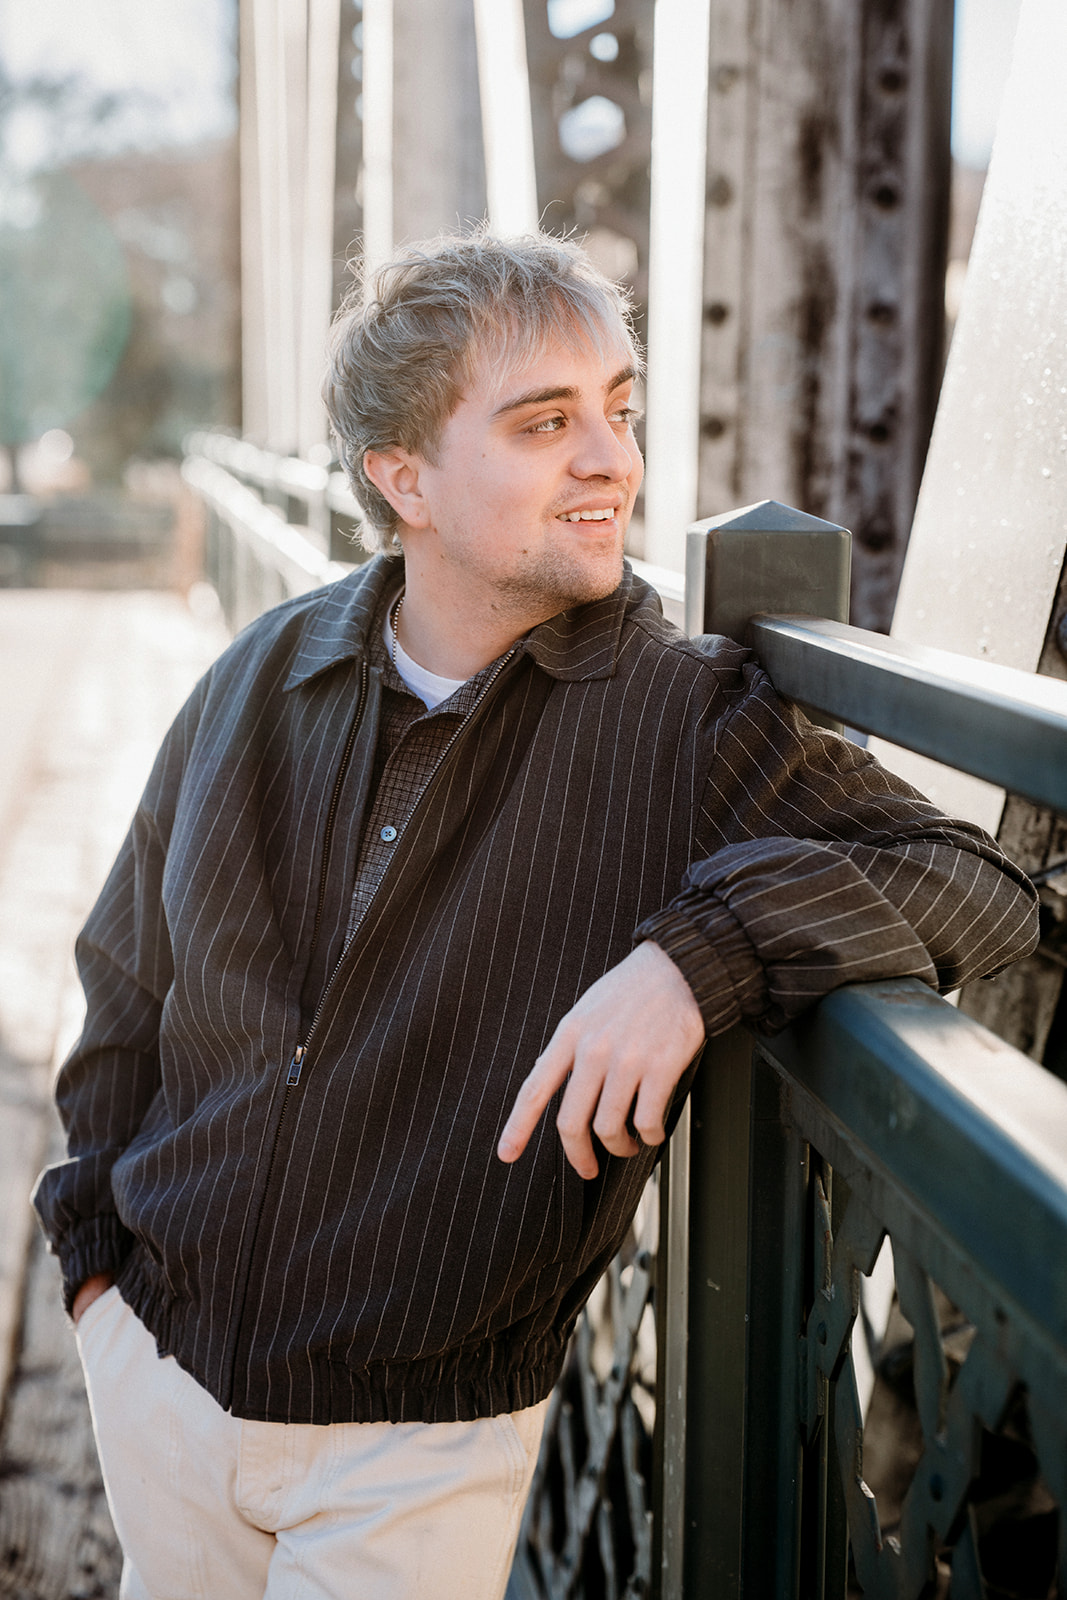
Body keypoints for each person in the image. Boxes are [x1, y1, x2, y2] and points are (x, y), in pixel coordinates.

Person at [34, 229, 1037, 1600]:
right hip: (159, 1371)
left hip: (414, 1443)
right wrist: (92, 1266)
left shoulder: (682, 717)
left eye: (619, 410)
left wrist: (700, 959)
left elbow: (979, 881)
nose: (613, 459)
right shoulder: (265, 670)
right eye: (545, 421)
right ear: (405, 479)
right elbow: (123, 974)